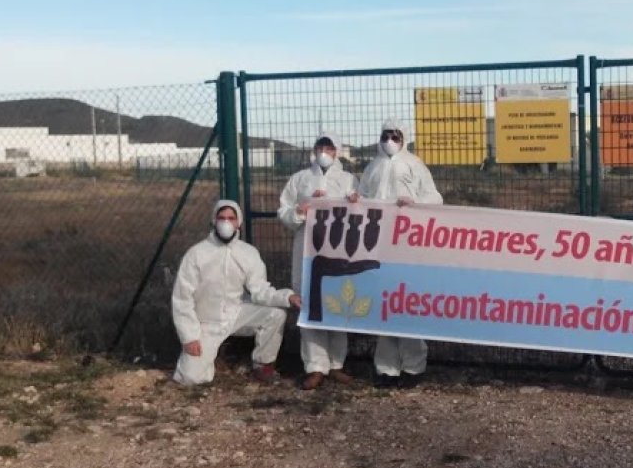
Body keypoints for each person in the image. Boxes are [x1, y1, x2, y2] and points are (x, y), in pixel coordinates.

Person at [171, 199, 301, 386]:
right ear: (213, 221)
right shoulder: (196, 254)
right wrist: (189, 337)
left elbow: (260, 290)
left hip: (236, 313)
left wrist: (287, 297)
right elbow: (182, 299)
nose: (226, 222)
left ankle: (263, 365)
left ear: (238, 222)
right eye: (221, 217)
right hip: (205, 322)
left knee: (275, 314)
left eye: (231, 218)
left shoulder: (248, 253)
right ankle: (210, 359)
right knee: (190, 378)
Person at [357, 119, 443, 387]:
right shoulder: (372, 167)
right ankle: (386, 368)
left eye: (396, 135)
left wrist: (416, 203)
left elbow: (436, 198)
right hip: (379, 241)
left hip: (407, 241)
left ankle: (414, 367)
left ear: (404, 137)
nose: (390, 140)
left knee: (405, 302)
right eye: (386, 135)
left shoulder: (415, 164)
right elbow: (362, 197)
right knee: (384, 303)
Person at [278, 133, 360, 390]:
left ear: (337, 151)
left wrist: (355, 204)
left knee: (338, 302)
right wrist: (300, 212)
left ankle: (336, 364)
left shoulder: (348, 180)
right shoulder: (300, 179)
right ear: (314, 149)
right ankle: (315, 366)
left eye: (329, 147)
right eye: (320, 146)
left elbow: (363, 213)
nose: (324, 151)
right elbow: (283, 212)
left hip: (339, 248)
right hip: (307, 249)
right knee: (309, 302)